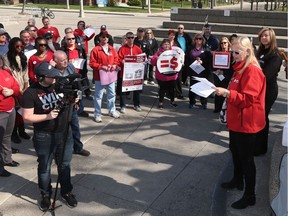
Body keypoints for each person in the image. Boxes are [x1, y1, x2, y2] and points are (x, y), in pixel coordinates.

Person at [214, 36, 266, 209]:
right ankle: (237, 180)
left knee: (247, 160)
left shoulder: (252, 71)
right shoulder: (240, 68)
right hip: (236, 120)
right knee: (235, 152)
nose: (233, 55)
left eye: (237, 52)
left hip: (247, 123)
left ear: (248, 52)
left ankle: (250, 195)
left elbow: (248, 99)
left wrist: (227, 94)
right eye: (232, 52)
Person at [22, 62, 78, 211]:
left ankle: (66, 191)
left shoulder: (59, 84)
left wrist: (74, 100)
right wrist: (47, 116)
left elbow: (68, 101)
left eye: (54, 74)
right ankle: (45, 194)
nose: (54, 77)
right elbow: (26, 118)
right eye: (50, 75)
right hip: (44, 135)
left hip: (65, 131)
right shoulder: (30, 93)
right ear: (41, 77)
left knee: (65, 164)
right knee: (45, 167)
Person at [52, 50, 90, 156]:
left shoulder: (70, 67)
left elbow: (77, 84)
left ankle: (78, 148)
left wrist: (78, 99)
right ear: (55, 61)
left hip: (71, 103)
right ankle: (57, 152)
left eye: (66, 59)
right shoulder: (51, 71)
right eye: (62, 60)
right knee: (59, 129)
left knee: (75, 127)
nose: (65, 62)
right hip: (58, 105)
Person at [254, 27, 283, 156]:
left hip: (268, 90)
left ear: (272, 38)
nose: (264, 38)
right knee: (258, 117)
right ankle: (256, 143)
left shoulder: (275, 54)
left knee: (263, 117)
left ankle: (261, 148)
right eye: (262, 36)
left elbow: (267, 75)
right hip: (258, 88)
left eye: (266, 35)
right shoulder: (260, 51)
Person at [89, 30, 120, 123]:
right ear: (99, 38)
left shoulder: (111, 49)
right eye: (103, 37)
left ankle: (112, 110)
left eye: (106, 37)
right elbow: (92, 63)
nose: (105, 38)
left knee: (111, 94)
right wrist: (101, 66)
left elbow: (116, 59)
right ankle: (97, 113)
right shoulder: (95, 49)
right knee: (98, 96)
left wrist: (114, 65)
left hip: (110, 76)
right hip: (99, 77)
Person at [6, 37, 30, 145]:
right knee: (15, 112)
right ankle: (14, 133)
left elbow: (25, 73)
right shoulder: (6, 58)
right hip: (13, 89)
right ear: (12, 46)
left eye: (21, 46)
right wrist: (18, 90)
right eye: (17, 46)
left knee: (22, 111)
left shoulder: (23, 57)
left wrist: (25, 86)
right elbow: (10, 75)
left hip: (23, 88)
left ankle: (22, 130)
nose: (19, 48)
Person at [0, 55, 20, 177]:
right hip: (1, 112)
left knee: (7, 137)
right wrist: (3, 95)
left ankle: (7, 159)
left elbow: (16, 86)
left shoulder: (6, 72)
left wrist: (12, 91)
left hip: (10, 109)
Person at [61, 32, 90, 117]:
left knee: (79, 93)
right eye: (68, 39)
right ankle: (69, 110)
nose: (71, 40)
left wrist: (84, 73)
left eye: (73, 38)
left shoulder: (80, 49)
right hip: (68, 76)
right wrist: (67, 62)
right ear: (65, 40)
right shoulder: (62, 50)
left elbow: (84, 60)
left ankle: (80, 109)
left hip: (79, 75)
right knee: (69, 94)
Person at [117, 31, 143, 113]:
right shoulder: (122, 49)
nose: (130, 39)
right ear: (126, 39)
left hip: (135, 74)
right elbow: (117, 59)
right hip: (125, 74)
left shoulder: (137, 49)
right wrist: (122, 61)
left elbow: (142, 59)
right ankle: (122, 105)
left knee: (136, 90)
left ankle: (136, 104)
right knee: (123, 91)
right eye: (129, 38)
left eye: (132, 37)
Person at [150, 39, 178, 109]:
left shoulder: (174, 52)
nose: (166, 45)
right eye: (165, 44)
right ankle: (161, 102)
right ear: (162, 45)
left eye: (168, 44)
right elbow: (152, 62)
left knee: (172, 89)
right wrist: (157, 58)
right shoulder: (159, 52)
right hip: (162, 75)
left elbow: (178, 61)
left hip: (172, 75)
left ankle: (172, 101)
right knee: (162, 89)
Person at [187, 33, 212, 109]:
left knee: (203, 87)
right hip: (193, 70)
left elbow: (210, 59)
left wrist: (202, 61)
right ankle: (192, 102)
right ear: (194, 40)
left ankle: (204, 103)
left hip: (203, 72)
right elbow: (187, 58)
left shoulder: (206, 48)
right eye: (196, 39)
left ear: (202, 40)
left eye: (200, 39)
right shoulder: (191, 48)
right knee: (193, 87)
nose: (198, 40)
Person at [212, 37, 234, 113]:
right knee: (217, 91)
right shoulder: (216, 53)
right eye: (222, 43)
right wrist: (216, 70)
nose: (223, 44)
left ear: (228, 44)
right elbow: (213, 65)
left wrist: (224, 72)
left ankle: (224, 108)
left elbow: (232, 67)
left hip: (227, 76)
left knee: (225, 92)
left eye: (225, 43)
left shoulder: (232, 55)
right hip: (217, 75)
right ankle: (217, 107)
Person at [168, 29, 184, 99]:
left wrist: (182, 61)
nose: (172, 36)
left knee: (178, 79)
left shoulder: (177, 43)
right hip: (168, 64)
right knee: (169, 79)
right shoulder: (165, 42)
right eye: (171, 35)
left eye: (173, 35)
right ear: (168, 35)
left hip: (176, 63)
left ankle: (179, 93)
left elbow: (181, 52)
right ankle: (169, 93)